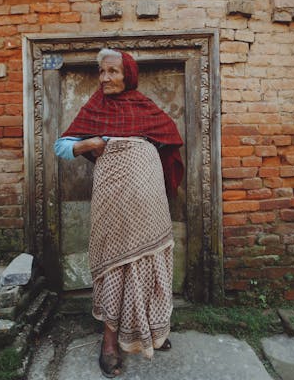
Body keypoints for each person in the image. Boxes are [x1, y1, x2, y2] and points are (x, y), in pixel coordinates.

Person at [54, 48, 184, 378]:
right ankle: (110, 341)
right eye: (101, 72)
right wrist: (91, 143)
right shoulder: (95, 107)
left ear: (128, 74)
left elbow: (171, 137)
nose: (105, 78)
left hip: (148, 196)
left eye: (112, 71)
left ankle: (153, 331)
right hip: (112, 194)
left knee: (148, 258)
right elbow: (61, 146)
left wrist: (150, 153)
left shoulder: (145, 107)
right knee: (114, 259)